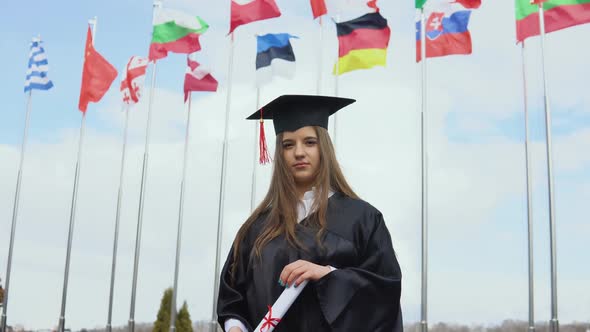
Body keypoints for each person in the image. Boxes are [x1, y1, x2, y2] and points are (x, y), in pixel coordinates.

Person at [217, 95, 402, 331]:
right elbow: (232, 297)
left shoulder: (362, 219)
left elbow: (384, 293)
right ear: (280, 154)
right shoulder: (257, 228)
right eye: (288, 144)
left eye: (309, 142)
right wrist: (235, 327)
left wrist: (329, 275)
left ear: (323, 148)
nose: (299, 152)